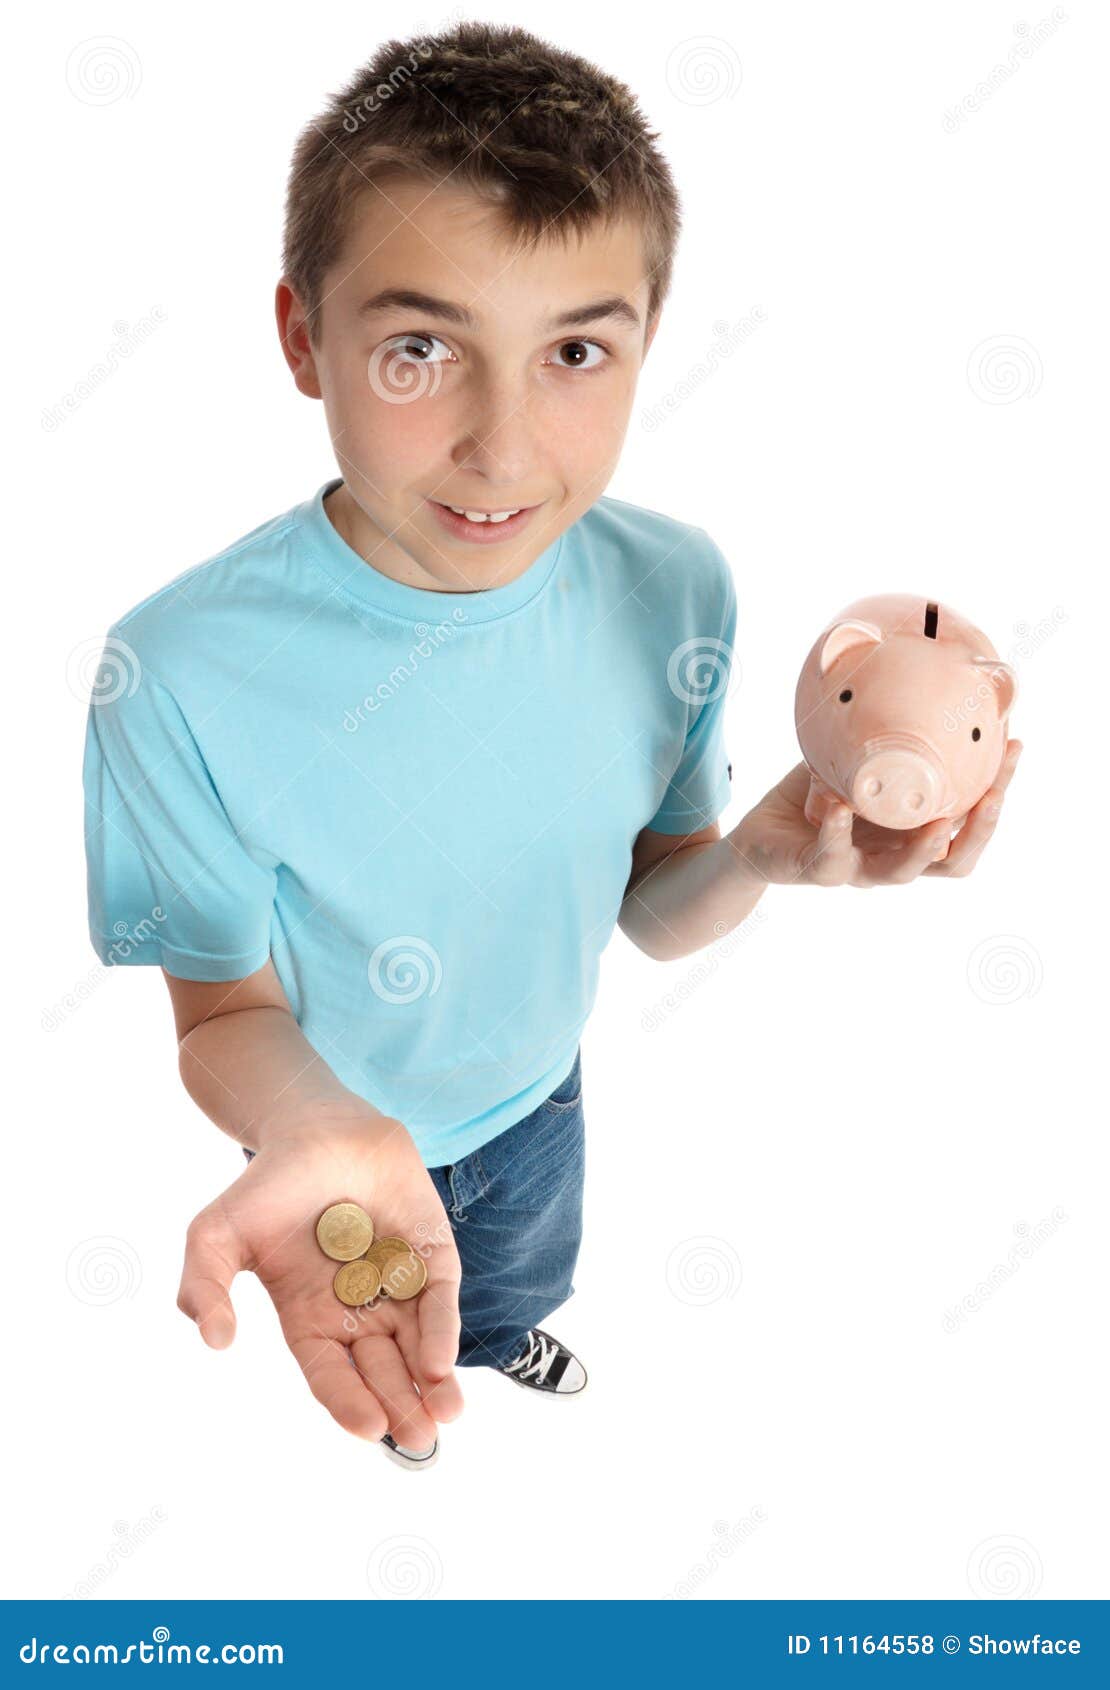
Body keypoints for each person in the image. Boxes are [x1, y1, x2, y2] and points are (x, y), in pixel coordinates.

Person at [81, 21, 1021, 1472]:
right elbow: (219, 1018)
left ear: (647, 343)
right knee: (393, 1318)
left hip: (540, 1088)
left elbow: (650, 910)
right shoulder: (180, 670)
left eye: (575, 350)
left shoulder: (675, 589)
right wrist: (324, 1132)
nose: (506, 449)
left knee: (519, 1268)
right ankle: (439, 1352)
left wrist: (761, 852)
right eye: (419, 348)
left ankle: (503, 1326)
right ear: (301, 338)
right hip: (329, 1132)